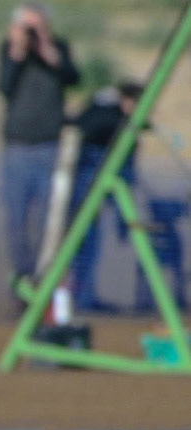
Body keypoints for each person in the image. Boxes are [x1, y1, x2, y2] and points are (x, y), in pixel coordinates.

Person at [0, 0, 79, 300]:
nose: (31, 32)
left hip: (50, 146)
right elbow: (2, 87)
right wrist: (17, 52)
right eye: (27, 26)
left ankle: (47, 284)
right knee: (16, 221)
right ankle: (23, 282)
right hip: (17, 147)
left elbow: (73, 78)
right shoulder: (8, 49)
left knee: (51, 221)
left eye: (37, 25)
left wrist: (47, 49)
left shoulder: (57, 48)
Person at [67, 81, 142, 315]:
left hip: (112, 178)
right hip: (90, 177)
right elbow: (85, 125)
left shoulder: (119, 116)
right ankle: (81, 297)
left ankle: (88, 296)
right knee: (85, 239)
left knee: (99, 238)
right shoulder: (103, 110)